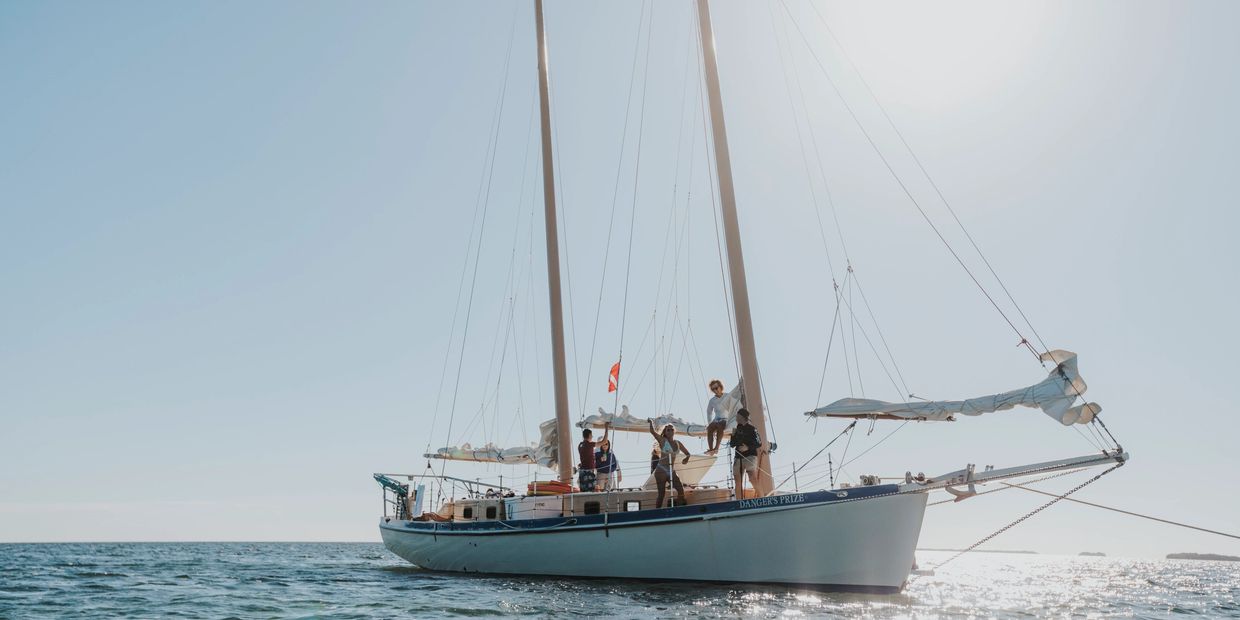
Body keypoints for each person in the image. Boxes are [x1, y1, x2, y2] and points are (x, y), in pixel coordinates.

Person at [647, 419, 690, 508]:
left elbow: (688, 453)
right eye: (668, 430)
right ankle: (657, 513)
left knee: (681, 491)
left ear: (674, 431)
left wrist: (686, 458)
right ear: (665, 432)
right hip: (661, 470)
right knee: (661, 494)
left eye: (672, 429)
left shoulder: (678, 443)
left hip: (671, 470)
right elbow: (652, 432)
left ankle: (677, 508)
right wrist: (651, 422)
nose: (670, 431)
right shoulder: (663, 441)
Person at [729, 408, 761, 499]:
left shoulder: (752, 429)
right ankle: (738, 501)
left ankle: (762, 497)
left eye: (737, 416)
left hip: (750, 456)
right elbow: (732, 444)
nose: (736, 418)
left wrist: (747, 447)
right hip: (738, 457)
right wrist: (733, 435)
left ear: (742, 417)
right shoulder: (736, 429)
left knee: (752, 478)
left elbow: (759, 443)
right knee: (737, 481)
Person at [577, 422, 609, 492]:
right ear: (589, 435)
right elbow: (604, 442)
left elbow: (584, 455)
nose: (592, 436)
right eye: (591, 435)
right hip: (588, 472)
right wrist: (606, 428)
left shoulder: (580, 445)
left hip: (582, 472)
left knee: (584, 491)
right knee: (591, 490)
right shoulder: (589, 444)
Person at [704, 379, 728, 454]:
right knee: (710, 428)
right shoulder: (712, 400)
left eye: (716, 388)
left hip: (726, 419)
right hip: (717, 419)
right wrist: (709, 423)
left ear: (720, 387)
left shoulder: (728, 396)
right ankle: (711, 449)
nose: (715, 390)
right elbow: (709, 412)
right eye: (713, 389)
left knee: (720, 426)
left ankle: (716, 448)